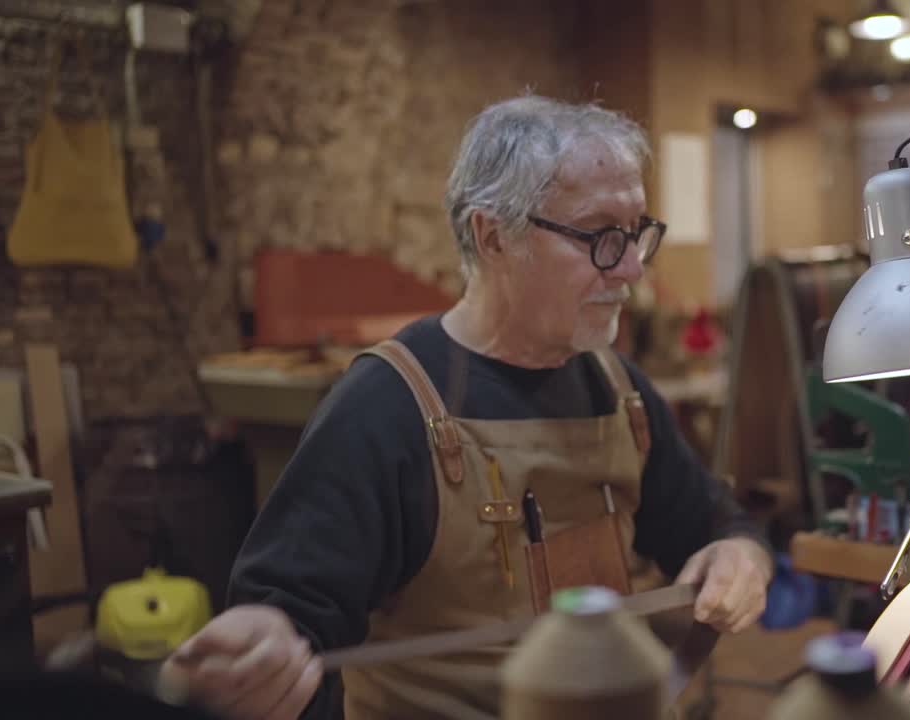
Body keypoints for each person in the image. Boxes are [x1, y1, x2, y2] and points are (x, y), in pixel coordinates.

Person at [161, 95, 774, 720]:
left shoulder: (621, 391)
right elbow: (290, 613)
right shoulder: (386, 407)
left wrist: (738, 556)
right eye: (600, 237)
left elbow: (717, 525)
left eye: (638, 235)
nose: (632, 270)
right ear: (493, 237)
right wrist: (264, 645)